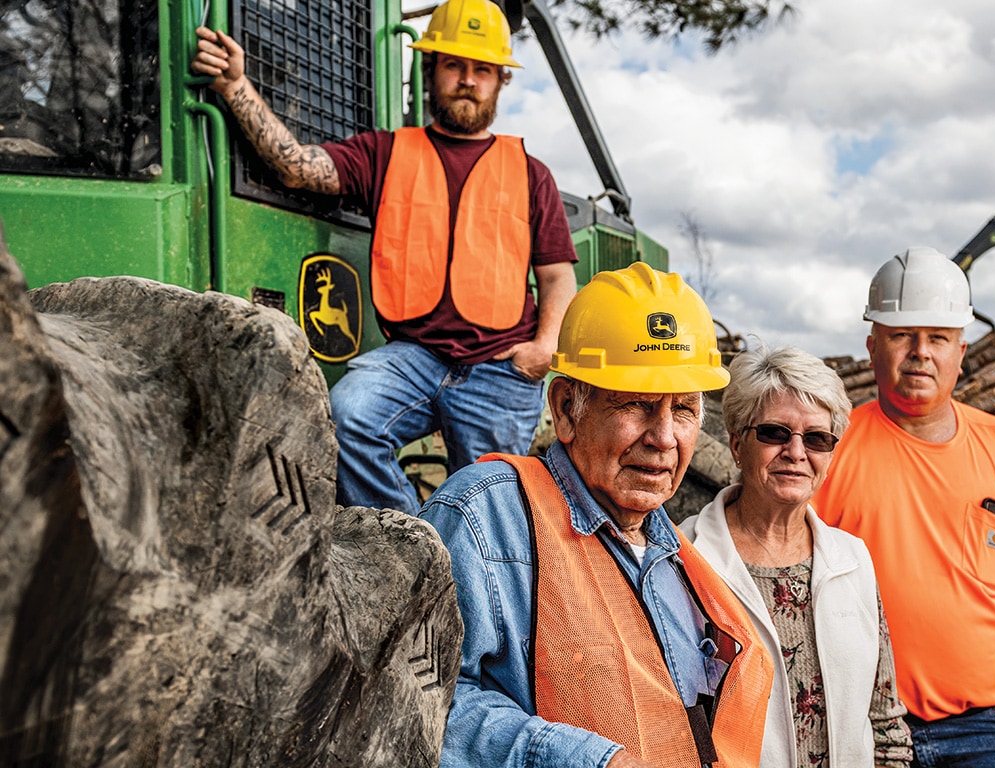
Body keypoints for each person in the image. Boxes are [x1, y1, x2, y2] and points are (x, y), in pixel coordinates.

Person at [190, 0, 579, 514]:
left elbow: (556, 277)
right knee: (347, 419)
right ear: (431, 70)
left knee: (494, 506)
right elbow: (299, 169)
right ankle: (414, 545)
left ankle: (470, 572)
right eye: (454, 65)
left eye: (481, 69)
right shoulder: (384, 153)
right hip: (413, 358)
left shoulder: (532, 174)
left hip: (500, 367)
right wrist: (235, 86)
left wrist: (544, 349)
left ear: (500, 80)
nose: (467, 80)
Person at [419, 262, 774, 768]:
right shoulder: (486, 516)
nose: (665, 438)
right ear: (566, 409)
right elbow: (425, 697)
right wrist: (586, 761)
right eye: (637, 404)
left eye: (684, 409)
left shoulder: (678, 558)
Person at [812, 247, 995, 768]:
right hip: (857, 717)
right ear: (872, 347)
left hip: (989, 725)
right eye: (902, 336)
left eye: (937, 338)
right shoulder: (828, 454)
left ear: (960, 351)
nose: (920, 352)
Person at [679, 343, 914, 768]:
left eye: (818, 438)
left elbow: (883, 720)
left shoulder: (853, 560)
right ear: (736, 443)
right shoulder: (685, 557)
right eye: (774, 432)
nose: (796, 452)